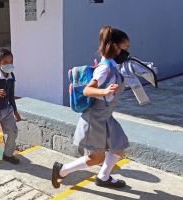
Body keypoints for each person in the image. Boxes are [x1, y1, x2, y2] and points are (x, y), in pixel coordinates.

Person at [52, 26, 131, 189]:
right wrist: (104, 91)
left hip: (106, 117)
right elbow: (88, 90)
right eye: (125, 48)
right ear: (115, 47)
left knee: (119, 146)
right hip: (94, 119)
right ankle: (62, 171)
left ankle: (103, 177)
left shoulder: (113, 65)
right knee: (96, 158)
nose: (127, 52)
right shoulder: (105, 68)